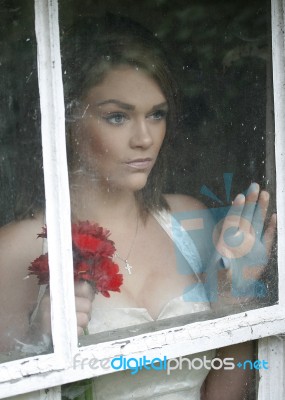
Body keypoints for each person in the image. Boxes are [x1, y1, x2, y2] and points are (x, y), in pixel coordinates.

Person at [0, 13, 276, 400]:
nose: (145, 138)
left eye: (157, 114)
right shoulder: (17, 249)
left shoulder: (186, 221)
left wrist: (236, 303)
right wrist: (37, 343)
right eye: (118, 116)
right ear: (67, 119)